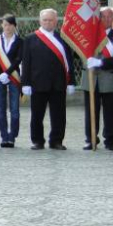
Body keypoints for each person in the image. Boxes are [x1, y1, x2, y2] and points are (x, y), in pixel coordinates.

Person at [21, 8, 76, 150]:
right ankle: (38, 141)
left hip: (59, 83)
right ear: (40, 21)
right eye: (45, 20)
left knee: (59, 115)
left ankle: (56, 141)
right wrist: (25, 83)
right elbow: (26, 62)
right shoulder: (30, 38)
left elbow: (69, 61)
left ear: (56, 21)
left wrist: (71, 81)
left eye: (51, 20)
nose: (47, 22)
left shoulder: (63, 38)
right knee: (37, 115)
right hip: (37, 83)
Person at [83, 7, 113, 150]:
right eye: (103, 17)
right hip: (90, 78)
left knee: (111, 112)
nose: (106, 20)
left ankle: (110, 140)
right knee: (91, 111)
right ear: (98, 18)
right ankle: (91, 139)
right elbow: (78, 53)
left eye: (110, 17)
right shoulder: (89, 36)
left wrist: (101, 63)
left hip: (109, 79)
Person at [0, 14, 22, 148]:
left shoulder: (20, 41)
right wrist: (1, 73)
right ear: (1, 25)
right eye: (5, 24)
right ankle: (4, 137)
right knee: (1, 108)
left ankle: (12, 137)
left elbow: (18, 59)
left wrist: (7, 73)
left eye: (10, 25)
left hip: (14, 75)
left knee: (14, 109)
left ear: (14, 26)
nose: (7, 27)